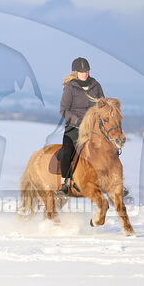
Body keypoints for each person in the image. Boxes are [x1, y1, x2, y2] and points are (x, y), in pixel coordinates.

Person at [57, 57, 105, 195]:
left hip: (94, 128)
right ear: (75, 72)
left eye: (86, 71)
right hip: (75, 127)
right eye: (81, 71)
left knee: (109, 148)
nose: (84, 74)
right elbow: (64, 110)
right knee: (67, 151)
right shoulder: (70, 87)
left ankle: (113, 181)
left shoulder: (96, 86)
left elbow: (102, 105)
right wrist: (78, 122)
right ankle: (65, 183)